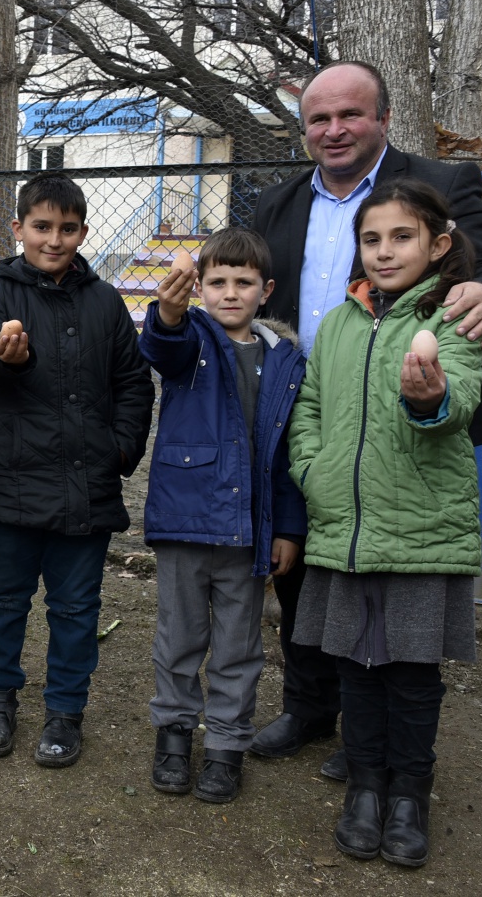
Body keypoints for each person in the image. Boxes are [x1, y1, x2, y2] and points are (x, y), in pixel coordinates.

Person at [248, 60, 482, 773]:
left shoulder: (440, 185)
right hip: (303, 415)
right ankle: (310, 710)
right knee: (301, 566)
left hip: (400, 420)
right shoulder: (275, 203)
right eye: (319, 119)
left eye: (350, 115)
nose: (333, 130)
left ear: (384, 118)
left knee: (382, 584)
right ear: (303, 127)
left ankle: (363, 733)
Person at [289, 178, 482, 867]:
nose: (383, 251)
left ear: (437, 243)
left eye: (401, 237)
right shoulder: (340, 322)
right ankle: (365, 787)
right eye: (371, 239)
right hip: (344, 528)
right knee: (354, 667)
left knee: (409, 672)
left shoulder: (454, 316)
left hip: (421, 532)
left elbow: (459, 397)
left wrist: (429, 397)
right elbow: (310, 406)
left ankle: (409, 795)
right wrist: (312, 468)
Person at [0, 173, 155, 768]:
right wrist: (3, 356)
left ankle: (66, 711)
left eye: (66, 228)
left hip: (85, 488)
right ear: (18, 228)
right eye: (41, 227)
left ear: (83, 232)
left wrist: (119, 450)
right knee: (3, 600)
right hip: (11, 484)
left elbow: (132, 382)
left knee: (76, 609)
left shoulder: (104, 302)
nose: (53, 239)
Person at [137, 228, 307, 804]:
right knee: (179, 637)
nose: (229, 293)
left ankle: (228, 747)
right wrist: (168, 309)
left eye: (243, 282)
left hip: (249, 530)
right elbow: (162, 345)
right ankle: (175, 736)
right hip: (186, 522)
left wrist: (287, 526)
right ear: (201, 287)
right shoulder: (191, 338)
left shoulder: (285, 359)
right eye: (217, 282)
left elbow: (286, 452)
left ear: (266, 290)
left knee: (239, 645)